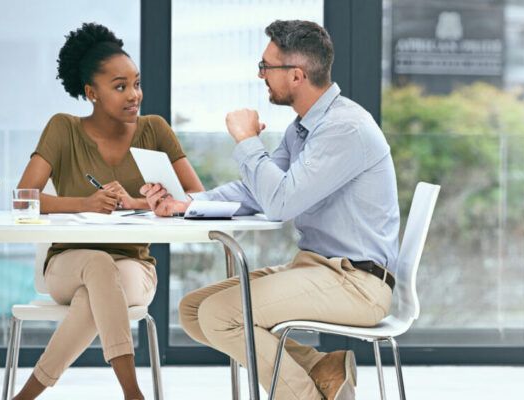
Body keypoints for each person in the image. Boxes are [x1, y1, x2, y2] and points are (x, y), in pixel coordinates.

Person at [142, 20, 400, 400]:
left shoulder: (344, 129)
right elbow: (258, 191)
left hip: (356, 283)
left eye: (266, 66)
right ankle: (318, 367)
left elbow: (281, 204)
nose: (260, 75)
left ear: (296, 75)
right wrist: (189, 203)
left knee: (221, 316)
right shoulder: (304, 128)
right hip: (317, 268)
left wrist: (247, 140)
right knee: (194, 310)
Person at [12, 22, 204, 400]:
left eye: (136, 83)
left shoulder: (155, 129)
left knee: (97, 291)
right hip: (68, 264)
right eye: (120, 87)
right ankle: (133, 393)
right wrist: (84, 204)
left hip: (135, 267)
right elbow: (23, 197)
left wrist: (144, 203)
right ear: (91, 93)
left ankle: (23, 398)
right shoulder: (63, 129)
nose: (134, 95)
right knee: (97, 266)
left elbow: (198, 195)